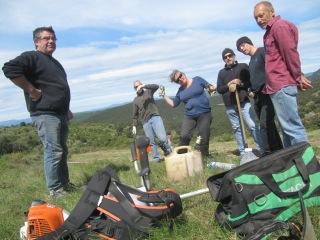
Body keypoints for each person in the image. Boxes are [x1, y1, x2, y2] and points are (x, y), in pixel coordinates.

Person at [2, 26, 74, 198]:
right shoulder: (32, 56)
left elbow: (57, 88)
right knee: (53, 151)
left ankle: (65, 185)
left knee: (62, 151)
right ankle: (55, 190)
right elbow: (9, 68)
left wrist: (66, 109)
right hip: (44, 113)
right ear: (36, 41)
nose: (51, 41)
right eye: (46, 38)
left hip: (59, 114)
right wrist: (31, 90)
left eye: (53, 38)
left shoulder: (54, 62)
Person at [254, 1, 313, 147]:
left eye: (261, 16)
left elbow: (290, 53)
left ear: (272, 11)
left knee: (292, 128)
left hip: (281, 84)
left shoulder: (279, 27)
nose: (259, 20)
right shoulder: (270, 31)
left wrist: (297, 76)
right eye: (256, 18)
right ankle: (292, 163)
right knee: (286, 129)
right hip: (276, 85)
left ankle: (306, 165)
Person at [236, 36, 283, 155]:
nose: (242, 49)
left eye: (242, 46)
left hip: (267, 94)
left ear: (248, 43)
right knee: (270, 125)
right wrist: (250, 90)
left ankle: (268, 153)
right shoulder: (251, 61)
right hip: (257, 97)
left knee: (264, 125)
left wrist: (269, 86)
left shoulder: (262, 51)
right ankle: (278, 150)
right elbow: (254, 78)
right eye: (240, 49)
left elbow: (271, 70)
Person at [217, 48, 264, 156]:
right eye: (225, 57)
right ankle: (243, 151)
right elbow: (219, 89)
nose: (228, 58)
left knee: (252, 125)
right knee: (236, 128)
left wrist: (241, 84)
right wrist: (229, 85)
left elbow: (251, 80)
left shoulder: (242, 66)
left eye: (230, 55)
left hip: (243, 101)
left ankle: (262, 149)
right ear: (223, 59)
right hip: (230, 105)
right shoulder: (221, 73)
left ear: (234, 56)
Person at [162, 70, 216, 158]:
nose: (180, 79)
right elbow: (173, 104)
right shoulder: (180, 91)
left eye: (180, 76)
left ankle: (204, 156)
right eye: (177, 80)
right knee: (184, 136)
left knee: (203, 136)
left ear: (183, 73)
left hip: (204, 113)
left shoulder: (198, 80)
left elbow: (210, 89)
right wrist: (164, 95)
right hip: (190, 116)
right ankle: (182, 156)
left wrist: (212, 88)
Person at [132, 81, 172, 162]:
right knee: (151, 142)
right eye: (135, 87)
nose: (137, 88)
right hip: (145, 122)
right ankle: (156, 159)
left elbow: (156, 86)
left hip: (155, 117)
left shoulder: (148, 92)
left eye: (138, 86)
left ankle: (171, 154)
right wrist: (134, 125)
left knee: (163, 138)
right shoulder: (135, 100)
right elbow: (135, 115)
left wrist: (144, 86)